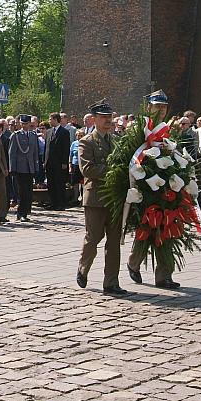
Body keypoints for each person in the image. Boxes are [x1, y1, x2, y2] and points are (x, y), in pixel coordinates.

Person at [127, 89, 180, 289]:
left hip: (167, 186)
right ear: (149, 107)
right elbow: (130, 156)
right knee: (147, 230)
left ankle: (164, 276)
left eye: (164, 107)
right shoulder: (139, 127)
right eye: (158, 106)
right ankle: (133, 263)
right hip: (144, 186)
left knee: (168, 230)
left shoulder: (168, 129)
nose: (162, 110)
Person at [75, 101, 127, 296]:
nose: (108, 120)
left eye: (109, 117)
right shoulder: (86, 141)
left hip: (114, 198)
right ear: (94, 119)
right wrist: (114, 171)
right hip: (96, 197)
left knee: (114, 241)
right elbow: (87, 169)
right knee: (93, 237)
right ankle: (83, 267)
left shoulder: (116, 140)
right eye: (104, 117)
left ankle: (111, 282)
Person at [8, 115, 39, 222]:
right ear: (20, 124)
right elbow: (12, 153)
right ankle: (21, 213)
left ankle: (26, 211)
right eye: (23, 123)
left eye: (26, 123)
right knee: (21, 192)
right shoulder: (16, 135)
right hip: (20, 167)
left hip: (30, 167)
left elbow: (35, 152)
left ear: (30, 124)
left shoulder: (33, 135)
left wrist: (36, 167)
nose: (25, 125)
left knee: (28, 191)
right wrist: (12, 168)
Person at [44, 112, 70, 211]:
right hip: (49, 162)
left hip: (59, 163)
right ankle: (53, 202)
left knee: (59, 183)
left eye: (50, 119)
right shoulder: (49, 131)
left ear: (55, 119)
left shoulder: (64, 132)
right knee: (51, 184)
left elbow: (66, 148)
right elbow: (47, 147)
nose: (49, 121)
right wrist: (44, 161)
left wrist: (64, 162)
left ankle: (61, 203)